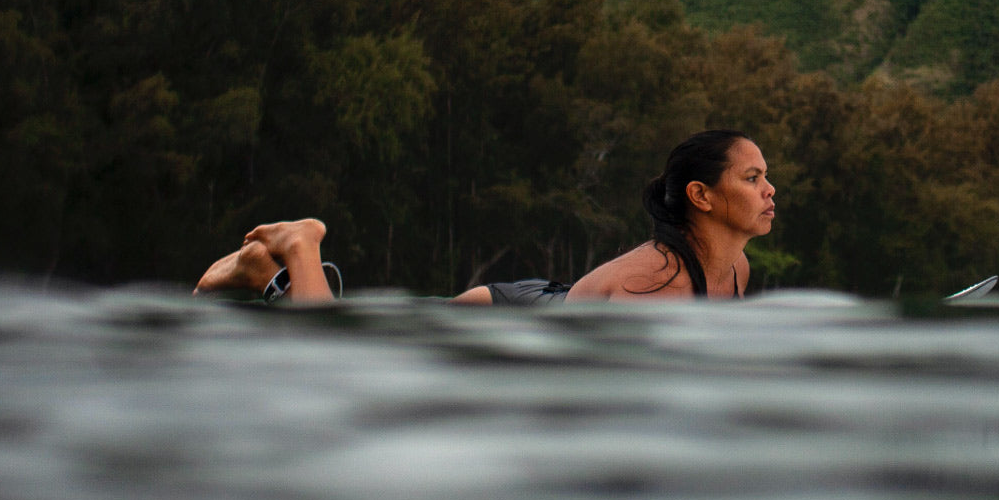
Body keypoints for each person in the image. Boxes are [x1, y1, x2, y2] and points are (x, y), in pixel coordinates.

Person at [193, 130, 777, 304]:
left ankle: (260, 275)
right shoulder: (658, 286)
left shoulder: (736, 271)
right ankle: (301, 246)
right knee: (341, 373)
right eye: (752, 179)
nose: (770, 190)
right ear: (701, 196)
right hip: (520, 321)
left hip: (546, 301)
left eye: (765, 177)